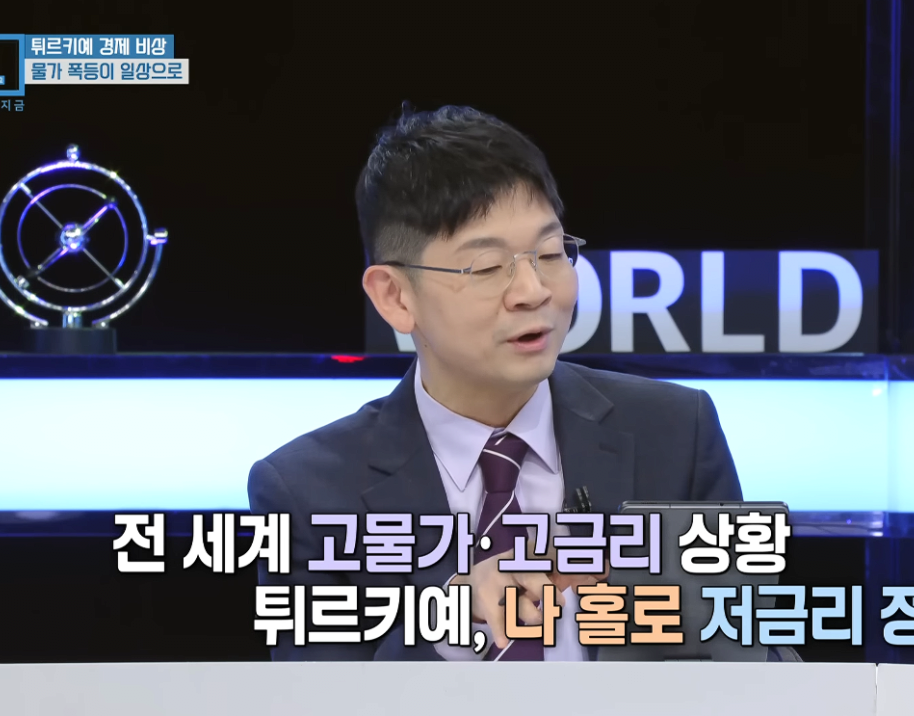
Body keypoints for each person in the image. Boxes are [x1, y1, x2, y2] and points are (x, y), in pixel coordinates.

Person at [248, 105, 744, 661]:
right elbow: (322, 697)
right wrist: (449, 621)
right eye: (486, 268)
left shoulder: (676, 434)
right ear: (395, 296)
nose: (533, 290)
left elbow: (752, 664)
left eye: (551, 254)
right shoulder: (307, 493)